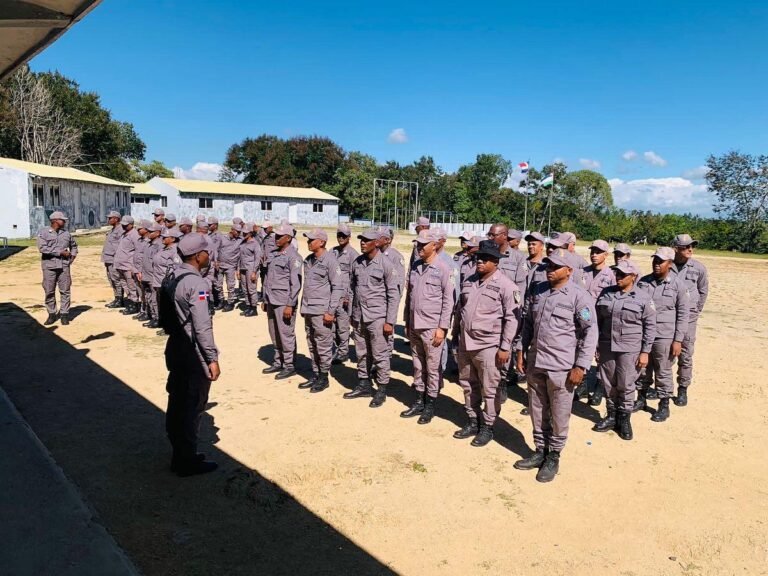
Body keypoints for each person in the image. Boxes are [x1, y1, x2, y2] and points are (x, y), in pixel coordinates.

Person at [514, 248, 598, 483]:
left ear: (569, 271)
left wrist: (581, 366)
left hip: (562, 366)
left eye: (555, 267)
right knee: (537, 408)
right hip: (536, 362)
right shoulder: (539, 292)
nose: (549, 270)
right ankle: (539, 449)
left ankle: (554, 455)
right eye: (548, 266)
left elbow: (590, 332)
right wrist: (521, 350)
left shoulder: (579, 297)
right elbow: (528, 323)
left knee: (560, 413)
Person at [161, 234, 220, 477]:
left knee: (176, 402)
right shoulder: (197, 284)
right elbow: (202, 326)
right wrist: (212, 358)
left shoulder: (172, 275)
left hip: (175, 346)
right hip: (192, 352)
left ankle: (180, 454)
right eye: (206, 252)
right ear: (198, 255)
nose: (209, 255)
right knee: (192, 405)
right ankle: (186, 460)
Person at [452, 241, 521, 445]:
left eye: (485, 259)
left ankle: (488, 426)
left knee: (490, 389)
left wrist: (505, 346)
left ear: (496, 262)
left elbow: (512, 319)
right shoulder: (469, 280)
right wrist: (455, 335)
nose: (479, 261)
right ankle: (473, 420)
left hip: (489, 346)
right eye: (478, 258)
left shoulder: (507, 286)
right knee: (468, 384)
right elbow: (460, 311)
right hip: (466, 343)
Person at [592, 260, 656, 440]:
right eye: (616, 273)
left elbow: (650, 327)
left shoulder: (643, 298)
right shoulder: (606, 294)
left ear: (634, 277)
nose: (617, 277)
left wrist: (645, 352)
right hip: (607, 346)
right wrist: (596, 345)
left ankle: (624, 419)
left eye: (622, 274)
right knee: (608, 382)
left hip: (630, 349)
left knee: (626, 384)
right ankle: (611, 415)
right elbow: (597, 321)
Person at [400, 230, 455, 424]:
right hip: (415, 325)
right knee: (417, 365)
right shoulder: (416, 266)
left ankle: (430, 404)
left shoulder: (444, 268)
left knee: (432, 368)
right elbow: (410, 297)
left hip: (432, 327)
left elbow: (449, 301)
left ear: (434, 245)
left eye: (423, 245)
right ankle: (418, 399)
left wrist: (442, 328)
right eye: (417, 244)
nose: (419, 248)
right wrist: (407, 320)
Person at [344, 229, 401, 407]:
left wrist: (390, 321)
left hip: (378, 317)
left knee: (380, 354)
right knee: (361, 352)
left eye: (367, 240)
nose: (362, 243)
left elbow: (394, 294)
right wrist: (352, 314)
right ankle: (363, 383)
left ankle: (382, 389)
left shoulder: (386, 264)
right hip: (360, 316)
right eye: (361, 240)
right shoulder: (358, 263)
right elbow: (352, 289)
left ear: (376, 243)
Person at [633, 247, 689, 421]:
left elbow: (683, 314)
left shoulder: (678, 285)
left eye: (661, 261)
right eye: (655, 260)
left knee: (663, 370)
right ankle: (641, 398)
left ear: (670, 264)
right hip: (643, 334)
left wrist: (678, 340)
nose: (656, 264)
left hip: (664, 335)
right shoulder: (643, 282)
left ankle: (664, 404)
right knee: (641, 368)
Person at [298, 229, 344, 393]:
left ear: (322, 242)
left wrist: (330, 311)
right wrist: (303, 307)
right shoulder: (308, 260)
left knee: (323, 345)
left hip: (322, 311)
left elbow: (338, 287)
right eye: (308, 239)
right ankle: (316, 373)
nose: (308, 242)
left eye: (311, 240)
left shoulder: (330, 261)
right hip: (309, 309)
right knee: (311, 343)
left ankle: (324, 377)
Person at [668, 234, 709, 407]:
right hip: (669, 317)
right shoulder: (666, 266)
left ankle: (683, 388)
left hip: (689, 319)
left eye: (692, 246)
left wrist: (695, 311)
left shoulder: (699, 268)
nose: (690, 249)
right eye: (685, 247)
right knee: (665, 354)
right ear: (676, 249)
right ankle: (664, 388)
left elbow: (703, 291)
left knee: (685, 353)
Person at [262, 223, 303, 379]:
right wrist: (265, 298)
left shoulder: (294, 257)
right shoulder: (274, 254)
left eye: (279, 236)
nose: (276, 239)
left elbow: (296, 284)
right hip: (272, 299)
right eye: (275, 236)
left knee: (286, 334)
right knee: (274, 332)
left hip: (284, 302)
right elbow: (268, 278)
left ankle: (289, 365)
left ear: (288, 238)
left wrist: (290, 304)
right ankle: (278, 361)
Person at [580, 239, 617, 405]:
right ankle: (581, 385)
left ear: (606, 255)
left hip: (601, 319)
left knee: (601, 355)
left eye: (598, 252)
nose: (594, 255)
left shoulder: (611, 276)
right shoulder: (582, 272)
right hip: (582, 319)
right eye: (592, 251)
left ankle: (600, 387)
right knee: (580, 350)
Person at [37, 211, 78, 326]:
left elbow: (74, 246)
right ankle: (51, 314)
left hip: (64, 267)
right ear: (55, 221)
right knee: (49, 291)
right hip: (49, 267)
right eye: (62, 220)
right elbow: (42, 248)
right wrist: (59, 252)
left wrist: (72, 257)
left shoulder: (66, 234)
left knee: (65, 290)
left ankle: (64, 314)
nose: (64, 222)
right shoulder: (43, 233)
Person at [332, 223, 359, 364]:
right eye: (339, 235)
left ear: (349, 237)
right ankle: (336, 349)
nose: (340, 238)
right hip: (332, 296)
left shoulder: (353, 255)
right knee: (332, 326)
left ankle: (343, 352)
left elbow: (355, 279)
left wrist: (349, 296)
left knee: (342, 326)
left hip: (344, 297)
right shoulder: (333, 252)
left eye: (343, 235)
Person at [151, 227, 182, 330]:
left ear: (173, 239)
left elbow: (177, 268)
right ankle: (162, 322)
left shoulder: (175, 251)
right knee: (161, 304)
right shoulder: (163, 248)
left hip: (167, 283)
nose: (162, 238)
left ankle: (171, 326)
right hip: (158, 281)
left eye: (165, 237)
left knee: (169, 306)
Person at [113, 215, 141, 315]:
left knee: (131, 286)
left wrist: (136, 267)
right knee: (125, 285)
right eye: (123, 225)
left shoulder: (134, 235)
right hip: (120, 265)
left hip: (129, 266)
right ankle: (130, 303)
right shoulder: (124, 234)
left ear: (131, 225)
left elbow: (138, 250)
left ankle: (135, 304)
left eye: (126, 225)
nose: (123, 226)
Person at [139, 222, 163, 328]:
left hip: (154, 277)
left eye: (151, 231)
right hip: (146, 276)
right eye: (148, 231)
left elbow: (159, 263)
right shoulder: (149, 244)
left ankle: (158, 318)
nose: (149, 233)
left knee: (155, 299)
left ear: (158, 233)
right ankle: (153, 316)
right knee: (149, 297)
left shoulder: (159, 246)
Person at [101, 210, 124, 308]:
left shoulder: (120, 230)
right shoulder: (112, 230)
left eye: (110, 218)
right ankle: (116, 297)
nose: (108, 220)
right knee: (111, 279)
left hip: (114, 259)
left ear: (116, 219)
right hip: (108, 259)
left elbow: (120, 246)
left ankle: (120, 299)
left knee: (116, 279)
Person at [238, 225, 262, 317]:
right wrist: (238, 270)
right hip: (243, 268)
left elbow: (257, 259)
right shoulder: (243, 243)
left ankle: (254, 308)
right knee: (245, 289)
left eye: (245, 233)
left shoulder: (255, 244)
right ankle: (248, 306)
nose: (243, 234)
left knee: (251, 289)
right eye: (243, 232)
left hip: (251, 269)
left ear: (250, 233)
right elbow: (239, 257)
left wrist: (254, 272)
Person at [217, 225, 242, 311]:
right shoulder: (222, 238)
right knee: (218, 285)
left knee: (231, 285)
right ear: (232, 230)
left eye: (240, 232)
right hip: (220, 265)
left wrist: (238, 269)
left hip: (231, 267)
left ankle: (230, 302)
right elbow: (216, 249)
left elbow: (240, 257)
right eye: (237, 232)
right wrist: (216, 261)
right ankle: (221, 300)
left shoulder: (240, 241)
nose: (239, 233)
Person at [523, 232, 548, 296]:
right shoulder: (522, 262)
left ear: (542, 246)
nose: (530, 246)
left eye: (534, 244)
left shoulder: (546, 265)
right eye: (529, 244)